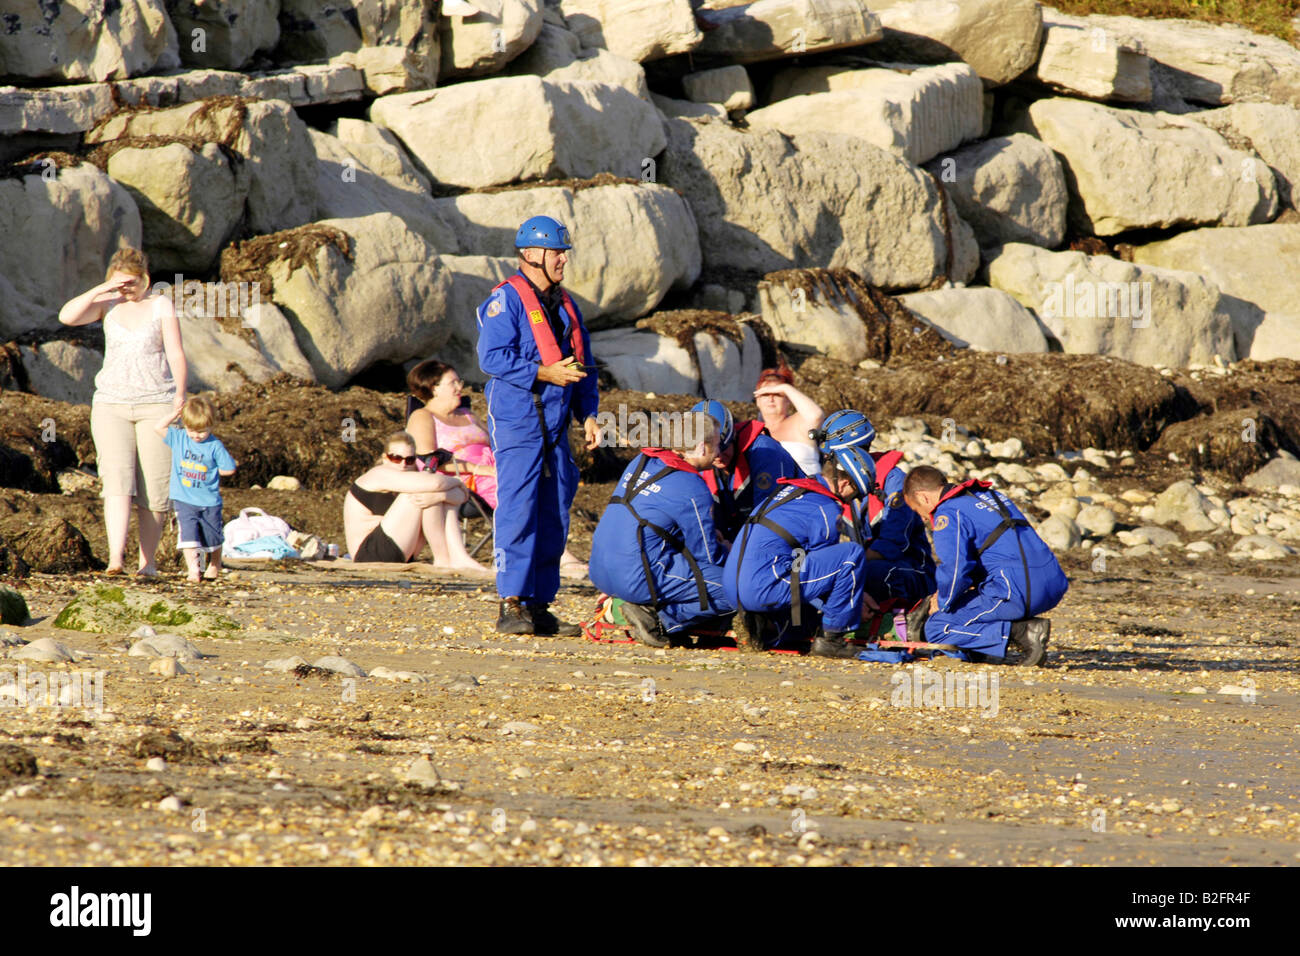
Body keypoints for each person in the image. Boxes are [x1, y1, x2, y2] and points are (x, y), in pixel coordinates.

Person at [476, 216, 601, 636]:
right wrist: (544, 373)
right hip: (518, 421)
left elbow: (585, 366)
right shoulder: (504, 301)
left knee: (555, 509)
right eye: (556, 252)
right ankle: (510, 603)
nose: (564, 259)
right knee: (518, 509)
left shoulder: (568, 305)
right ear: (531, 255)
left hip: (557, 423)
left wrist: (590, 415)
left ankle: (539, 603)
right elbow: (491, 358)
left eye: (564, 251)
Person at [58, 248, 188, 577]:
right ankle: (115, 560)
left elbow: (175, 351)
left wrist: (181, 396)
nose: (126, 289)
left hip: (156, 402)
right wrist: (101, 290)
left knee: (154, 488)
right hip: (111, 404)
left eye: (131, 283)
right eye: (119, 283)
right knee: (116, 482)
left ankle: (148, 563)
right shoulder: (107, 305)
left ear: (145, 278)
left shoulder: (160, 305)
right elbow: (67, 317)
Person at [405, 358, 587, 578]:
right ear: (434, 388)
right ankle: (556, 555)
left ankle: (549, 551)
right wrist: (479, 469)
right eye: (452, 383)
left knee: (539, 480)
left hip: (496, 470)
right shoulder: (423, 416)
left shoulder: (467, 415)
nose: (459, 387)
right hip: (463, 481)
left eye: (458, 381)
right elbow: (428, 461)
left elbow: (497, 444)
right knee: (516, 489)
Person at [589, 411, 731, 647]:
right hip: (635, 578)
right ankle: (660, 620)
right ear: (701, 448)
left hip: (599, 570)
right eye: (716, 444)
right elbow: (707, 556)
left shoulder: (641, 460)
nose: (719, 452)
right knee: (737, 590)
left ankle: (621, 605)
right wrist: (727, 549)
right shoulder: (693, 486)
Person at [902, 465, 1069, 666]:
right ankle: (989, 646)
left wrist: (942, 602)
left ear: (923, 497)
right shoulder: (989, 496)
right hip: (1054, 584)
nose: (921, 517)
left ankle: (1023, 632)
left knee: (937, 626)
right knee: (967, 602)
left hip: (1017, 592)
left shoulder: (947, 512)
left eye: (916, 510)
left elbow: (955, 569)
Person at [723, 440, 872, 660]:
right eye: (856, 492)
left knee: (799, 584)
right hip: (763, 585)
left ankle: (765, 625)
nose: (853, 499)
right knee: (851, 554)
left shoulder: (792, 490)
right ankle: (833, 640)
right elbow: (827, 575)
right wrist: (853, 600)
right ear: (845, 483)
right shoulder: (826, 508)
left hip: (731, 588)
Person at [816, 411, 936, 609]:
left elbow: (891, 545)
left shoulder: (894, 483)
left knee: (873, 573)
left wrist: (845, 571)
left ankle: (895, 619)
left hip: (911, 570)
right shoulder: (842, 484)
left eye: (832, 456)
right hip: (868, 563)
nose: (828, 462)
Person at [343, 431, 486, 571]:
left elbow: (461, 497)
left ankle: (458, 556)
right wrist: (456, 481)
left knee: (433, 495)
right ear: (385, 458)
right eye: (396, 458)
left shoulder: (413, 477)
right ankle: (443, 558)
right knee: (424, 491)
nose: (403, 464)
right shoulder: (378, 474)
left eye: (409, 459)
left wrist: (440, 497)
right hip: (370, 555)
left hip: (403, 551)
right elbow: (437, 484)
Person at [691, 399, 800, 543]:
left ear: (734, 437)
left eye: (723, 449)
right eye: (710, 452)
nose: (717, 457)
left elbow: (771, 515)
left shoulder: (765, 452)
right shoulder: (699, 463)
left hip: (786, 531)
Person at [153, 395, 237, 582]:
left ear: (211, 426)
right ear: (185, 424)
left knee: (212, 538)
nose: (196, 435)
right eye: (192, 430)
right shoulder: (179, 438)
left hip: (209, 501)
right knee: (190, 537)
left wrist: (217, 470)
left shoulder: (214, 445)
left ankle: (215, 563)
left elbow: (229, 469)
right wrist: (175, 414)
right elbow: (158, 427)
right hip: (184, 498)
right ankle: (195, 570)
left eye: (202, 431)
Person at [752, 365, 825, 476]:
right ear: (757, 400)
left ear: (788, 400)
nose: (771, 399)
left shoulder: (799, 423)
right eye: (765, 394)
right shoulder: (752, 431)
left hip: (808, 489)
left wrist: (785, 388)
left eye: (777, 394)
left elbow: (816, 415)